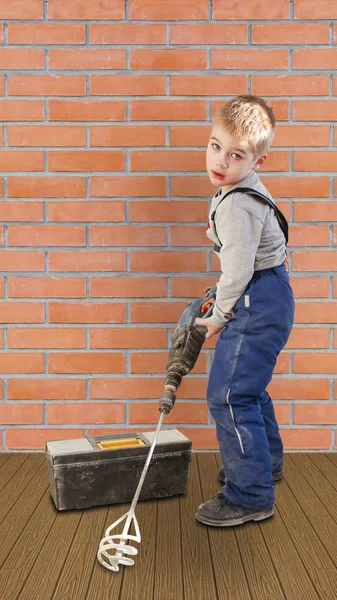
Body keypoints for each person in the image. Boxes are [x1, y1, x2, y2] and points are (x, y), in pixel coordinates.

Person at [194, 94, 294, 527]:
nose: (221, 161)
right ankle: (263, 463)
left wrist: (218, 318)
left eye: (236, 155)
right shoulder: (235, 189)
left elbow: (236, 272)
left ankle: (251, 494)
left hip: (257, 298)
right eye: (216, 146)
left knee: (229, 395)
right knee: (248, 387)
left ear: (259, 160)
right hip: (270, 291)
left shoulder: (236, 202)